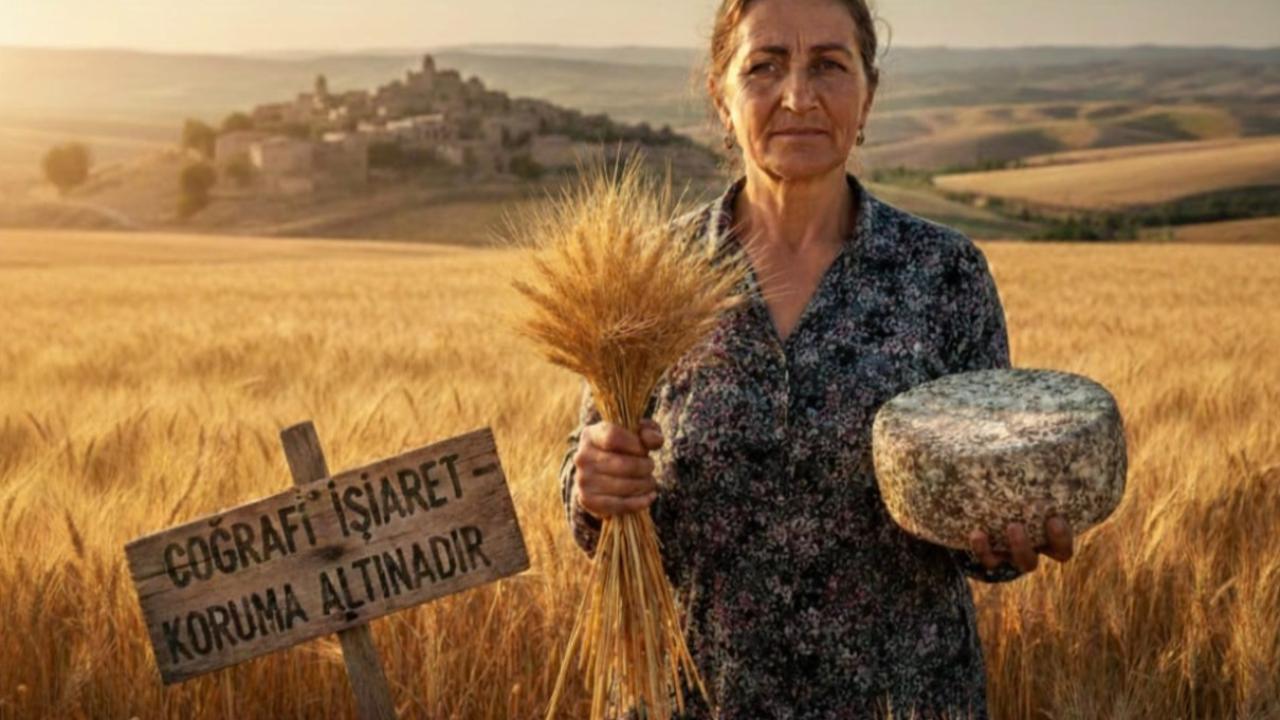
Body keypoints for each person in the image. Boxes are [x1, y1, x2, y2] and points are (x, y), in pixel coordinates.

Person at [558, 0, 1076, 717]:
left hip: (902, 701)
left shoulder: (942, 273)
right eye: (764, 66)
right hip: (687, 699)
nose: (797, 96)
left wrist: (998, 542)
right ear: (720, 95)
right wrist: (590, 485)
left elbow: (975, 510)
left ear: (867, 95)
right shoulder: (645, 273)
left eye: (829, 65)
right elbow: (587, 485)